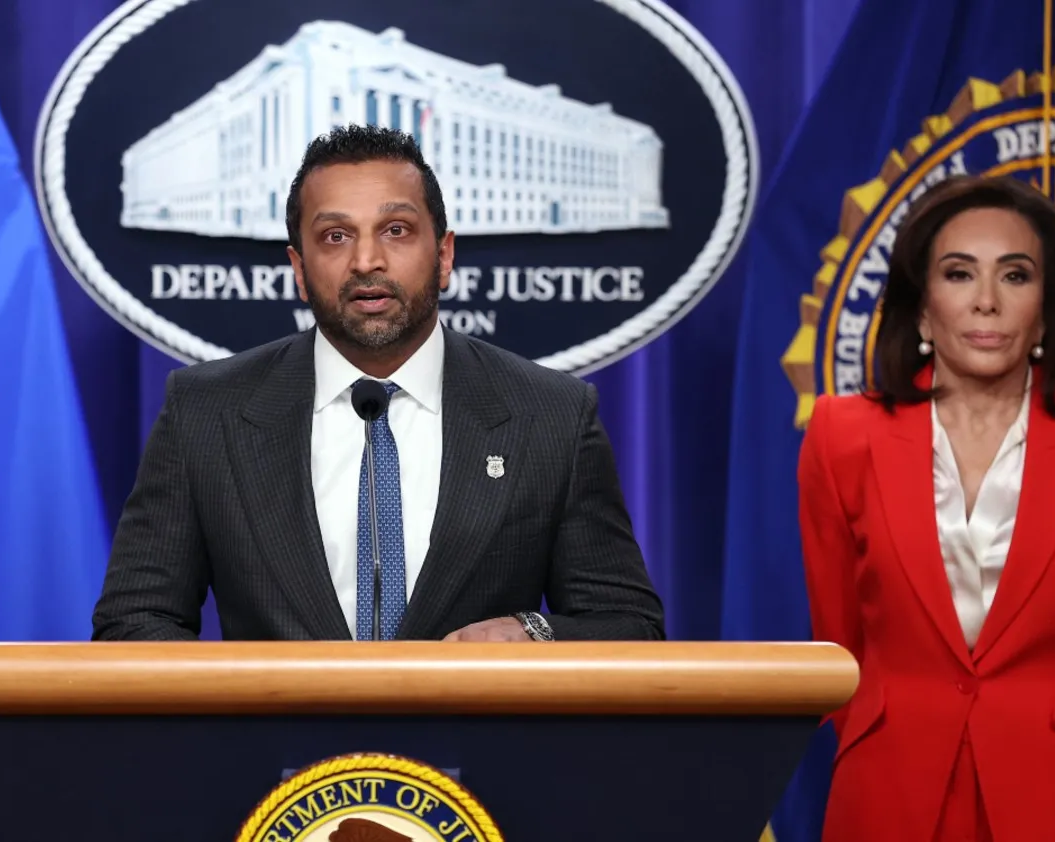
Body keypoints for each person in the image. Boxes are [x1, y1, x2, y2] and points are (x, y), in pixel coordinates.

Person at [93, 124, 663, 643]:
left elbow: (627, 624)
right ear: (299, 269)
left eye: (396, 230)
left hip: (475, 727)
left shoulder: (552, 414)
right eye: (335, 236)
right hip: (275, 727)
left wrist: (531, 634)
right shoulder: (204, 412)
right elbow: (134, 622)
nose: (367, 260)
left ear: (444, 255)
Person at [798, 174, 1055, 841]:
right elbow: (841, 645)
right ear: (921, 307)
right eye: (960, 273)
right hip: (891, 798)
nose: (987, 301)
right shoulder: (840, 434)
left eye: (1016, 275)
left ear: (1046, 308)